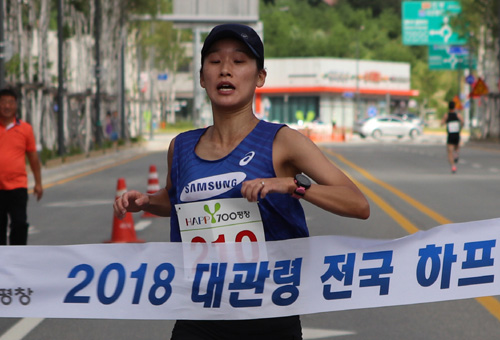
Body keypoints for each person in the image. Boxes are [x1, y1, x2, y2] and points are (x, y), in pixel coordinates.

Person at [114, 23, 370, 340]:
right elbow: (178, 199)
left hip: (269, 314)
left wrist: (293, 186)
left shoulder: (282, 141)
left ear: (259, 77)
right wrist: (148, 202)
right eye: (215, 61)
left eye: (239, 61)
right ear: (201, 77)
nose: (225, 70)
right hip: (199, 312)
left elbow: (358, 204)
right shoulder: (180, 146)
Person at [0, 88, 43, 245]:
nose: (6, 106)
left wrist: (38, 183)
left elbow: (33, 157)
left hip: (17, 187)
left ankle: (18, 257)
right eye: (3, 102)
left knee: (19, 223)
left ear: (16, 105)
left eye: (10, 102)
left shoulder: (25, 129)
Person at [441, 100, 464, 174]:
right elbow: (462, 122)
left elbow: (442, 123)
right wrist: (460, 126)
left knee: (449, 152)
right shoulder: (458, 115)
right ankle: (456, 153)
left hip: (450, 135)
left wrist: (444, 123)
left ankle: (453, 166)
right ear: (454, 107)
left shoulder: (446, 115)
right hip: (457, 134)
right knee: (456, 146)